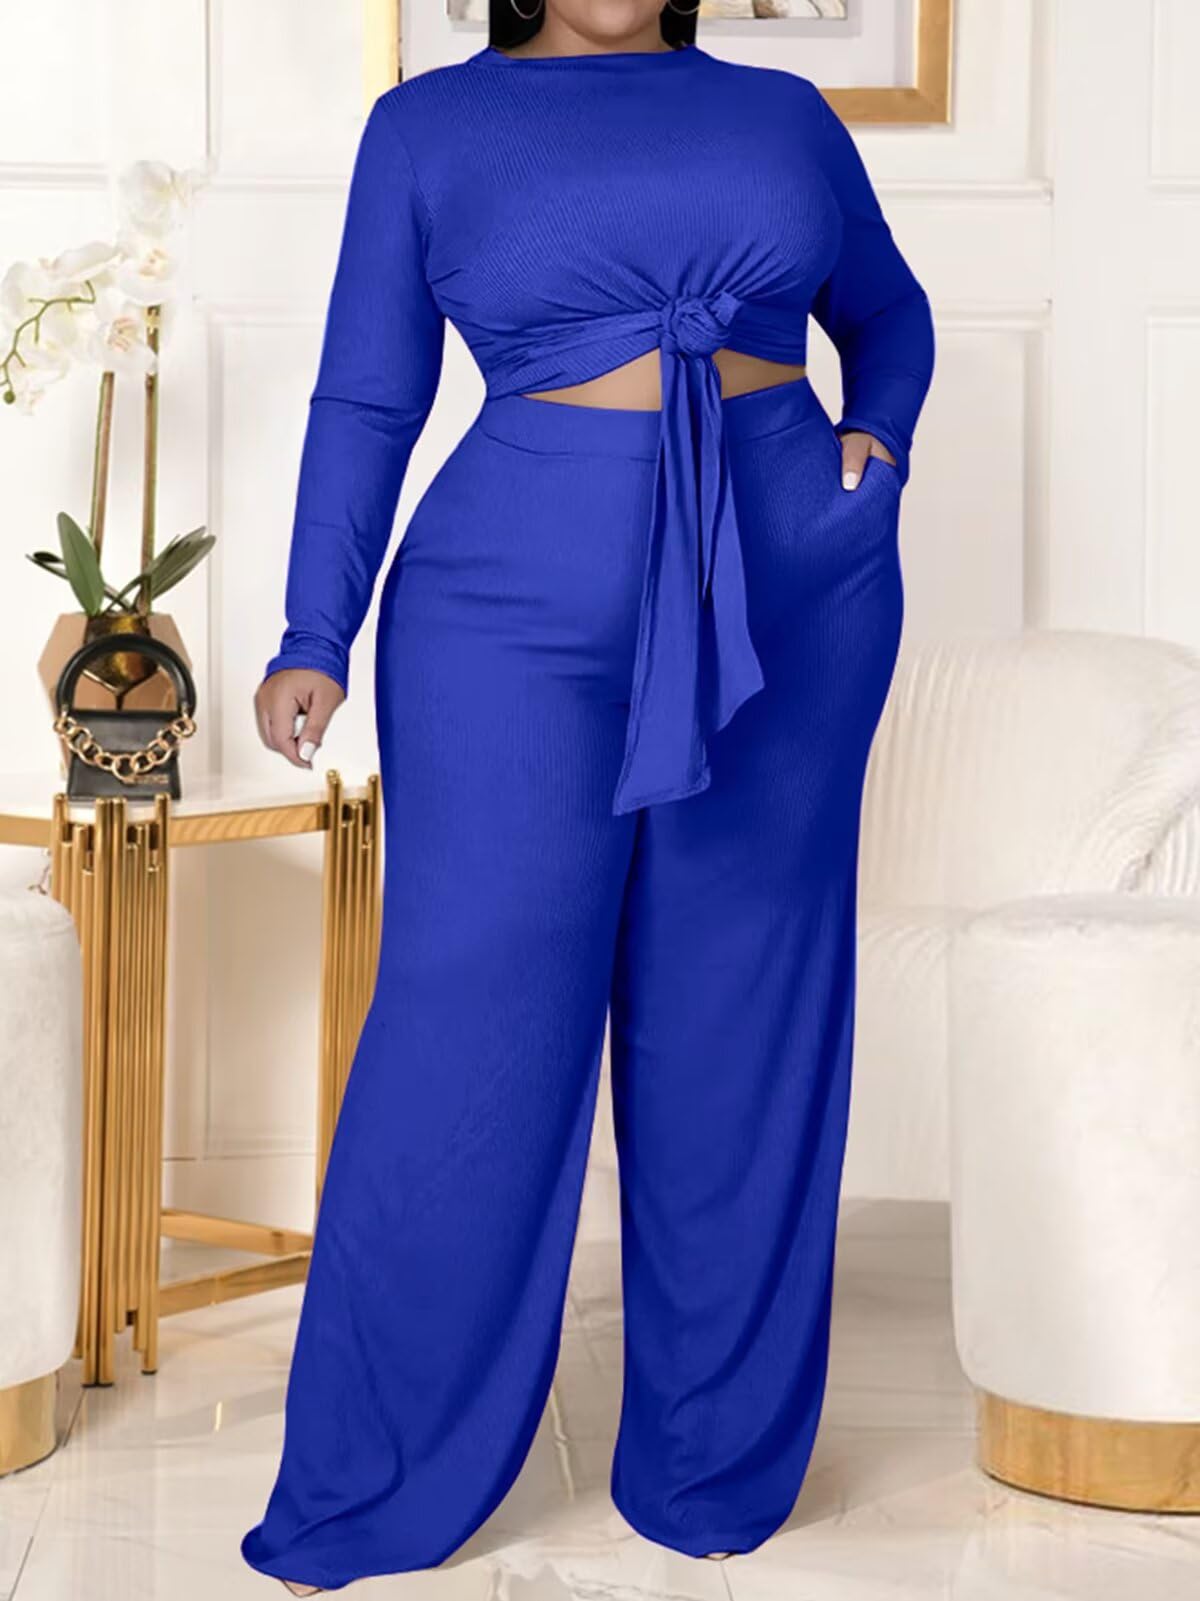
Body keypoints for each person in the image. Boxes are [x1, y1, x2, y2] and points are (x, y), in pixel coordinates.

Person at [243, 0, 935, 1591]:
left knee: (740, 1022)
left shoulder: (784, 113)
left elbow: (888, 312)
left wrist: (875, 447)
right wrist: (312, 631)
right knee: (468, 1035)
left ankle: (712, 1465)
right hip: (506, 621)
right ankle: (379, 1470)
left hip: (786, 602)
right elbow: (367, 397)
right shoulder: (427, 128)